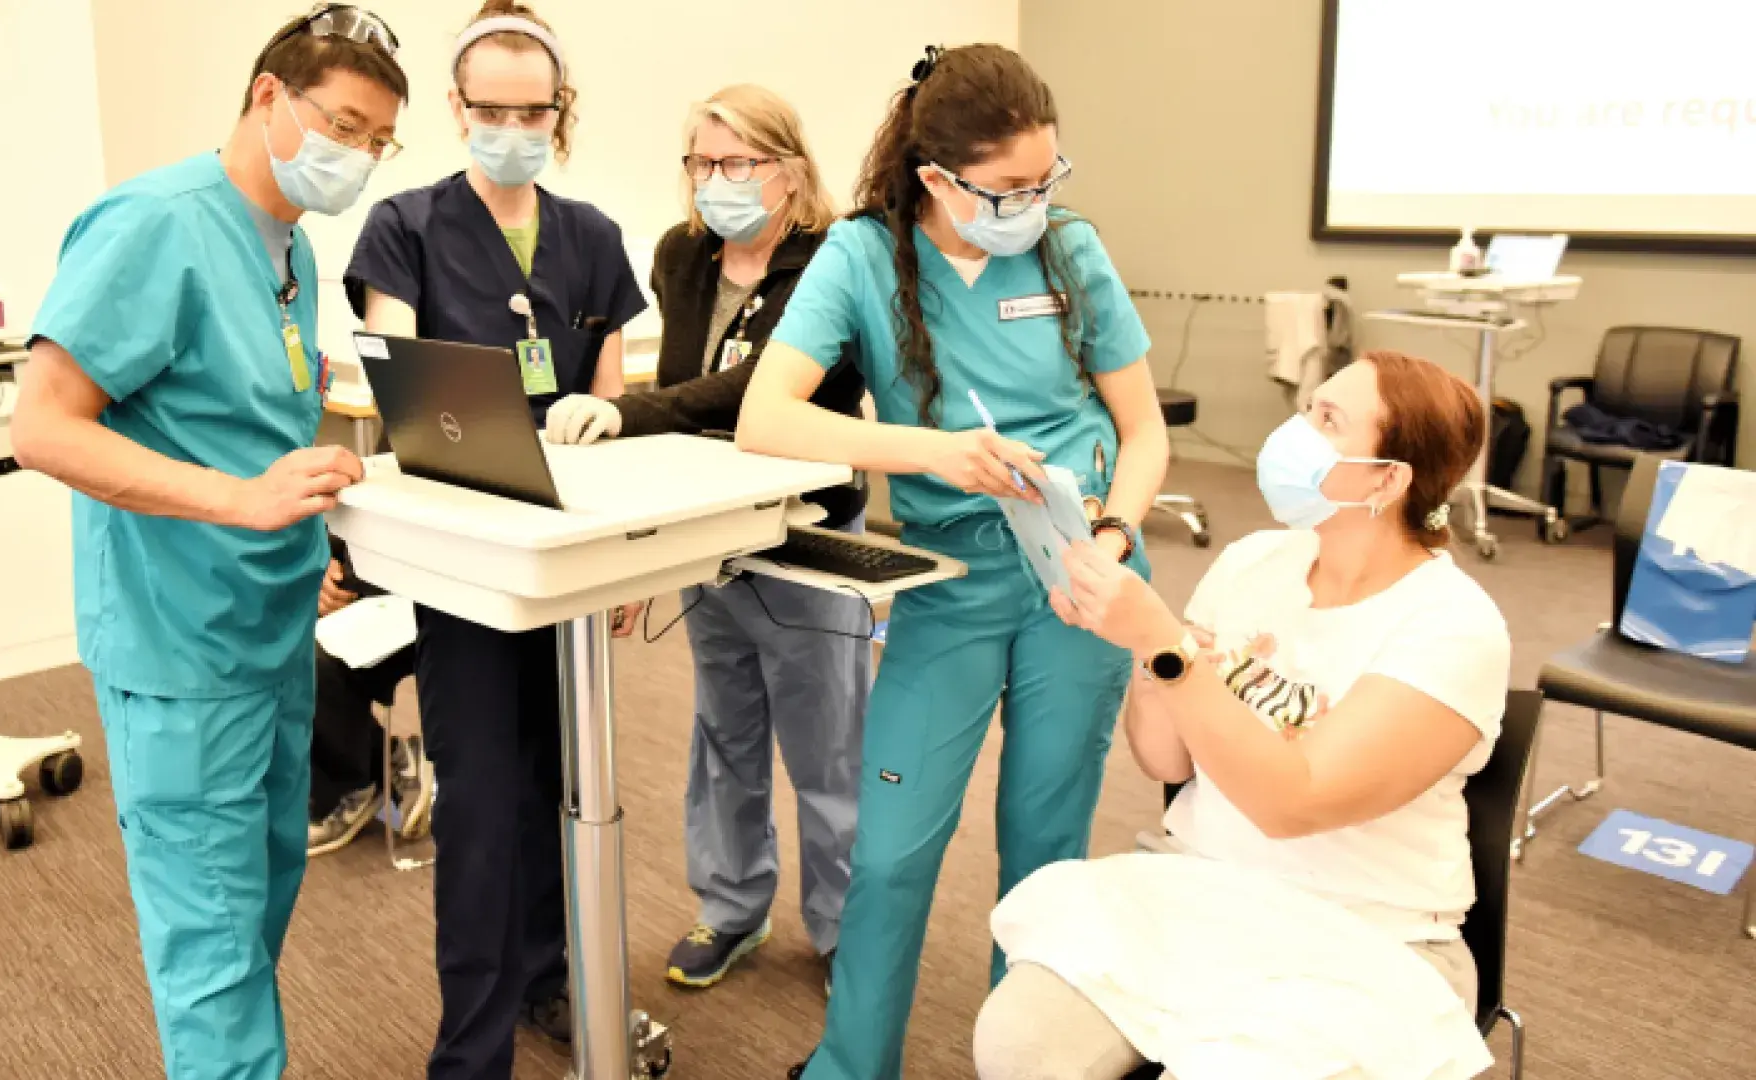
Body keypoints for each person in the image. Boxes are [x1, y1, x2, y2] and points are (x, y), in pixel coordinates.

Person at [735, 44, 1170, 1080]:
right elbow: (766, 417)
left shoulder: (1069, 250)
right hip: (949, 580)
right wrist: (938, 455)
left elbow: (1144, 432)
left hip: (1082, 574)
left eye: (1047, 178)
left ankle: (1024, 1058)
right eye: (1013, 187)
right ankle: (854, 1063)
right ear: (938, 178)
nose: (1037, 202)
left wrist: (1110, 538)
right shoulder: (860, 257)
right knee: (890, 854)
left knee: (1043, 851)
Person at [8, 6, 406, 1077]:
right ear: (269, 94)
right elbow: (40, 426)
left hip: (269, 632)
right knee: (214, 952)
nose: (361, 157)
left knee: (257, 908)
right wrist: (240, 504)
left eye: (380, 141)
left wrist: (301, 531)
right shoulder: (155, 222)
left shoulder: (293, 251)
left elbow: (257, 427)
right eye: (348, 125)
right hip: (179, 648)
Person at [974, 351, 1510, 1080]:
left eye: (1328, 421)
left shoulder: (1452, 626)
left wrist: (1167, 647)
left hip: (1366, 934)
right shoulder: (1257, 561)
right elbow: (1166, 762)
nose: (1296, 431)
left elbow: (1293, 803)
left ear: (1389, 478)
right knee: (1020, 1047)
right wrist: (1148, 656)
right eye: (1307, 408)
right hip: (1199, 887)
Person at [340, 4, 645, 1076]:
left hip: (569, 552)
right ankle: (470, 1046)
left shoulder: (595, 236)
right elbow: (399, 381)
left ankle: (553, 977)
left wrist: (602, 438)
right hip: (465, 556)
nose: (511, 125)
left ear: (560, 114)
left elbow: (611, 397)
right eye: (489, 108)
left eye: (532, 109)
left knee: (567, 779)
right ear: (458, 109)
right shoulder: (405, 226)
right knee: (480, 794)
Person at [543, 85, 870, 993]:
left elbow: (753, 390)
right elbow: (688, 376)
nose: (715, 181)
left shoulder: (832, 260)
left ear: (790, 171)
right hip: (710, 530)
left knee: (827, 746)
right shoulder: (683, 253)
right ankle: (732, 907)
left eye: (737, 164)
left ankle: (847, 929)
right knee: (723, 731)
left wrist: (627, 412)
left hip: (804, 530)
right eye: (701, 163)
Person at [306, 532, 430, 856]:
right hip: (355, 568)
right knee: (258, 634)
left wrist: (349, 581)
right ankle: (381, 758)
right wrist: (320, 564)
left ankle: (351, 785)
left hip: (424, 588)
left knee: (310, 658)